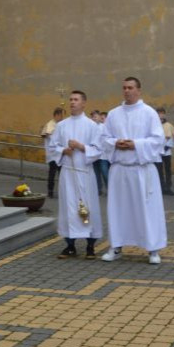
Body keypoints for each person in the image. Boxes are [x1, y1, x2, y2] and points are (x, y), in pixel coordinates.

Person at [100, 77, 168, 265]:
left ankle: (153, 249)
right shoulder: (114, 114)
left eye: (130, 88)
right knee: (118, 209)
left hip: (142, 170)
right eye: (124, 88)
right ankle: (116, 246)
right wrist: (116, 143)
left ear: (139, 90)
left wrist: (135, 145)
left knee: (147, 210)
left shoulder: (149, 113)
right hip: (120, 170)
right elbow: (104, 138)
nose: (127, 91)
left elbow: (158, 139)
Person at [51, 91, 104, 259]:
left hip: (84, 174)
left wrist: (82, 147)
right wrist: (63, 150)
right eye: (71, 100)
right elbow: (53, 147)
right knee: (68, 208)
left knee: (87, 208)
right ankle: (70, 245)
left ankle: (90, 246)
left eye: (76, 100)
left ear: (84, 103)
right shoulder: (61, 126)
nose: (72, 102)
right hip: (68, 175)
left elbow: (98, 149)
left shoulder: (91, 126)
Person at [41, 108, 65, 198]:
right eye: (61, 115)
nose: (62, 118)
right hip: (52, 154)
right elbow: (52, 139)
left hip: (59, 154)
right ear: (56, 115)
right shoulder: (51, 125)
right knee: (52, 173)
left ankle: (61, 190)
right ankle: (50, 191)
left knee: (61, 173)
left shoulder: (58, 124)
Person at [157, 107, 174, 196]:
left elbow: (172, 136)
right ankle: (161, 187)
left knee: (168, 170)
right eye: (159, 113)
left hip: (166, 151)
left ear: (164, 114)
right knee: (159, 170)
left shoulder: (168, 125)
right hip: (157, 152)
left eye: (162, 113)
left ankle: (168, 187)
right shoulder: (154, 125)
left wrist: (166, 147)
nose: (160, 115)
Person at [90, 110, 110, 196]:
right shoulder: (90, 127)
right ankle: (98, 189)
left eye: (96, 116)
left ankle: (110, 188)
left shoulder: (103, 127)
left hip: (103, 154)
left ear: (99, 117)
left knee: (104, 171)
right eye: (93, 117)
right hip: (94, 154)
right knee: (96, 173)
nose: (94, 118)